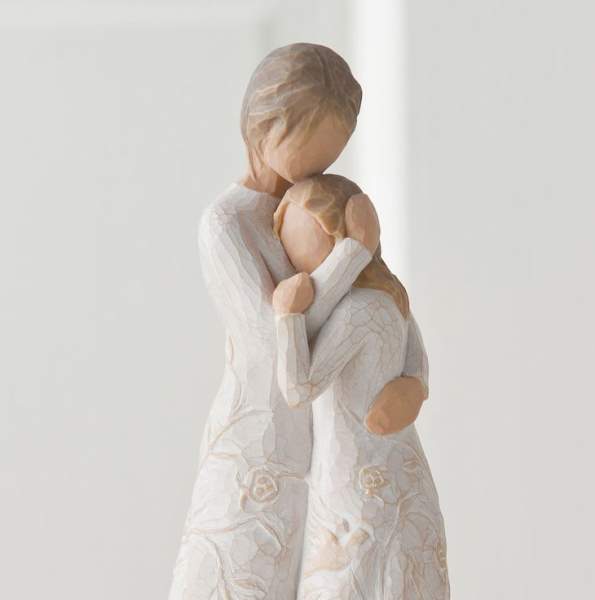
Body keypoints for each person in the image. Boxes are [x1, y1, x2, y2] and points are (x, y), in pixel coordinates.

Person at [169, 44, 428, 599]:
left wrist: (415, 376)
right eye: (311, 150)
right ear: (267, 124)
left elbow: (381, 294)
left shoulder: (312, 200)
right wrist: (350, 253)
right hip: (259, 442)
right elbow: (277, 340)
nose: (320, 168)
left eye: (331, 154)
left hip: (331, 448)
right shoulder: (225, 224)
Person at [272, 174, 449, 599]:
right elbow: (418, 360)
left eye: (301, 241)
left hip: (355, 480)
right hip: (397, 466)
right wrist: (415, 386)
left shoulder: (356, 312)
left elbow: (299, 388)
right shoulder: (391, 298)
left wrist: (288, 317)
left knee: (353, 577)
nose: (292, 259)